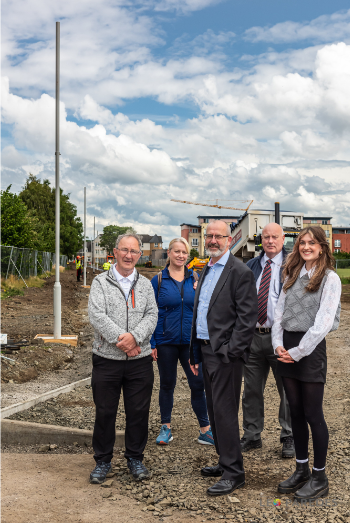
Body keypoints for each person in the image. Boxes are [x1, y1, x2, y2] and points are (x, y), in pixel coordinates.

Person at [272, 226, 341, 502]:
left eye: (312, 243)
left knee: (313, 414)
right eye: (302, 243)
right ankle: (301, 469)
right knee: (296, 412)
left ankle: (319, 476)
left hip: (309, 349)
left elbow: (324, 322)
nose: (306, 247)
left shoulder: (330, 278)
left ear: (322, 247)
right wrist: (277, 343)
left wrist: (299, 351)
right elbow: (279, 312)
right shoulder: (290, 274)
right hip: (286, 347)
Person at [190, 220, 258, 496]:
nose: (213, 240)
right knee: (214, 411)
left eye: (219, 236)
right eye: (210, 236)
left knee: (225, 412)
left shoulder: (239, 272)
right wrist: (196, 351)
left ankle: (234, 473)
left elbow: (247, 319)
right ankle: (224, 460)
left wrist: (231, 352)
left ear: (230, 240)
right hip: (206, 351)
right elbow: (199, 313)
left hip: (225, 356)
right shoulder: (206, 268)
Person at [88, 233, 158, 484]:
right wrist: (125, 342)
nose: (129, 255)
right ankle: (103, 461)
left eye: (134, 251)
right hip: (106, 360)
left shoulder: (146, 284)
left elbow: (152, 315)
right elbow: (97, 316)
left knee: (138, 412)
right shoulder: (100, 282)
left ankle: (135, 458)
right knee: (105, 412)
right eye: (124, 250)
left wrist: (135, 339)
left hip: (140, 363)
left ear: (140, 255)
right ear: (115, 252)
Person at [150, 237, 213, 446]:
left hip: (190, 343)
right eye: (176, 251)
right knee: (167, 384)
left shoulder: (196, 278)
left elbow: (204, 309)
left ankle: (205, 430)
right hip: (165, 342)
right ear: (168, 253)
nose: (180, 255)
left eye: (184, 252)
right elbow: (150, 313)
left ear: (188, 255)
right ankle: (165, 428)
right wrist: (152, 343)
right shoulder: (158, 280)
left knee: (197, 384)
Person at [241, 223, 294, 458]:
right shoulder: (251, 266)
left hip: (281, 338)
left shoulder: (294, 265)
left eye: (275, 237)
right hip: (253, 337)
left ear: (283, 239)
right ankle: (252, 436)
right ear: (260, 239)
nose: (270, 241)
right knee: (251, 390)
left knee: (288, 390)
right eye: (266, 237)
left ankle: (289, 436)